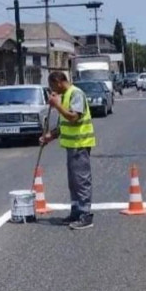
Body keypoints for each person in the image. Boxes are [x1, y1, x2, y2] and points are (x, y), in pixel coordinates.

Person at [40, 72, 96, 230]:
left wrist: (57, 105)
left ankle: (85, 215)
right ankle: (76, 211)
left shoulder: (76, 94)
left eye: (52, 86)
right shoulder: (65, 96)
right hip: (71, 145)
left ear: (58, 82)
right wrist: (51, 136)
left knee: (81, 180)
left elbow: (74, 117)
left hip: (80, 143)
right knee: (73, 182)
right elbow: (65, 124)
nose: (52, 90)